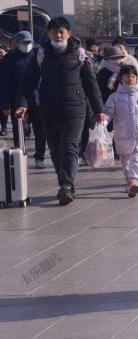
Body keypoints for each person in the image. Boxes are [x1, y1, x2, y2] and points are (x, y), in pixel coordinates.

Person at [16, 17, 105, 205]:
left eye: (62, 31)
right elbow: (28, 82)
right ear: (48, 34)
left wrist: (99, 109)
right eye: (54, 31)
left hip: (75, 108)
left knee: (69, 145)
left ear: (69, 33)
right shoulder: (41, 55)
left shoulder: (80, 55)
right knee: (55, 149)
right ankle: (65, 182)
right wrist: (23, 103)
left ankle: (65, 185)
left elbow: (91, 84)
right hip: (48, 108)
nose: (58, 34)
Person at [103, 65, 138, 197]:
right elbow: (108, 113)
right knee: (125, 160)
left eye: (133, 76)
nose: (130, 79)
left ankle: (134, 181)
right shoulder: (114, 97)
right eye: (127, 76)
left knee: (137, 157)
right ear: (121, 78)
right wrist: (102, 123)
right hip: (122, 134)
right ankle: (130, 182)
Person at [0, 31, 47, 168]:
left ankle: (40, 157)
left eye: (29, 43)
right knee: (19, 129)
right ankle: (20, 154)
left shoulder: (39, 56)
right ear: (17, 44)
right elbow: (3, 83)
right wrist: (4, 105)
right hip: (18, 100)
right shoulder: (10, 59)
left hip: (38, 99)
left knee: (41, 130)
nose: (27, 45)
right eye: (24, 43)